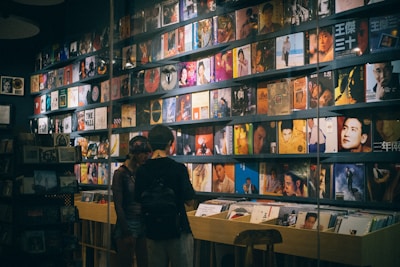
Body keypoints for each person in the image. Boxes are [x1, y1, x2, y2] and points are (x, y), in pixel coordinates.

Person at [134, 125, 195, 267]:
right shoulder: (178, 169)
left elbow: (138, 200)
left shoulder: (141, 171)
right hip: (177, 231)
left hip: (152, 231)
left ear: (149, 144)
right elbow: (190, 200)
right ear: (169, 143)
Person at [111, 135, 151, 267]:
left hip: (142, 223)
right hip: (127, 222)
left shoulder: (141, 171)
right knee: (125, 262)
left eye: (147, 153)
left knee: (144, 262)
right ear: (135, 154)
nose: (146, 157)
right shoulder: (120, 173)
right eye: (143, 153)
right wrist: (125, 230)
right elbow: (118, 205)